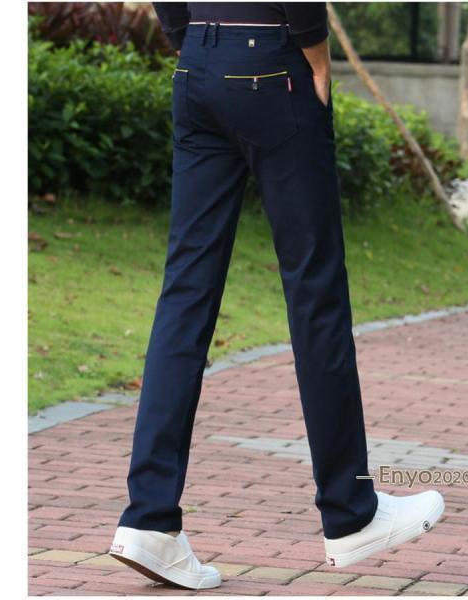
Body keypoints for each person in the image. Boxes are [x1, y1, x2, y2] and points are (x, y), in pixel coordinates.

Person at [109, 2, 444, 589]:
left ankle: (149, 519)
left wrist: (188, 36)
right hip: (273, 63)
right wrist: (316, 49)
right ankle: (350, 512)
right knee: (315, 289)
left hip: (198, 67)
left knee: (185, 293)